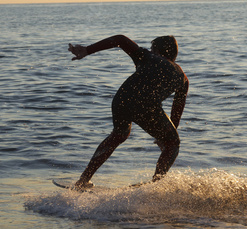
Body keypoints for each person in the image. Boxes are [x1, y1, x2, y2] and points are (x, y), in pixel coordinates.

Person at [68, 34, 189, 189]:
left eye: (152, 49)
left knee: (119, 134)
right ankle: (156, 185)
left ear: (157, 50)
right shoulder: (182, 78)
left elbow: (120, 39)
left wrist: (87, 50)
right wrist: (165, 138)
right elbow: (177, 111)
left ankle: (83, 180)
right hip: (146, 105)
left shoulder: (146, 56)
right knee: (173, 143)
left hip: (122, 99)